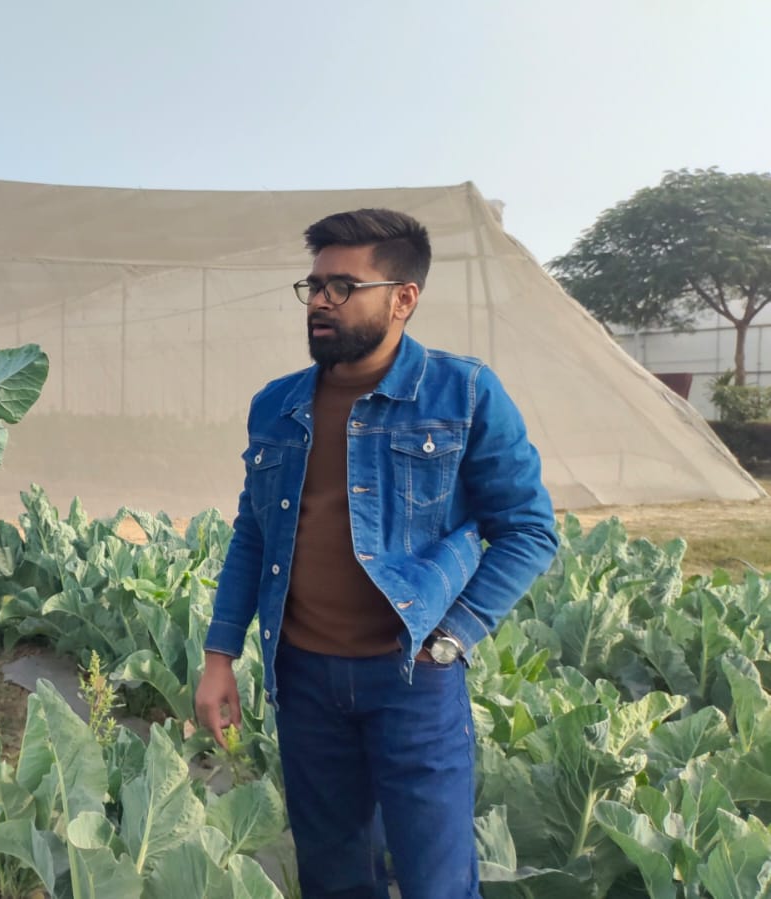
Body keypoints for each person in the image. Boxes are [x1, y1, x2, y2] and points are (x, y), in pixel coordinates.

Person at [193, 209, 559, 898]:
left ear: (403, 298)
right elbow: (253, 534)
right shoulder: (275, 404)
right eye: (313, 286)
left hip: (412, 679)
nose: (321, 302)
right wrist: (219, 658)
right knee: (333, 874)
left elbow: (528, 529)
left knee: (436, 880)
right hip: (302, 680)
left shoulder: (464, 393)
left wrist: (452, 636)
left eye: (342, 285)